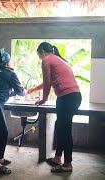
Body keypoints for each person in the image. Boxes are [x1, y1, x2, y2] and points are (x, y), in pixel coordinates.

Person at [27, 42, 82, 173]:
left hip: (66, 98)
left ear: (41, 52)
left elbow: (47, 82)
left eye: (38, 55)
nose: (39, 58)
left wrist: (44, 99)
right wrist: (34, 89)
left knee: (65, 130)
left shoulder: (46, 60)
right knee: (60, 126)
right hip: (73, 97)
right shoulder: (57, 59)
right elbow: (49, 81)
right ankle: (58, 158)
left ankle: (67, 164)